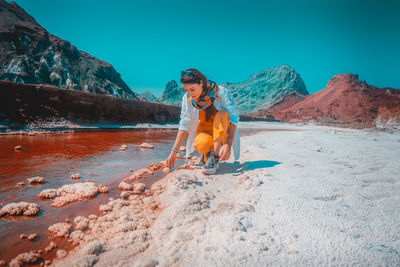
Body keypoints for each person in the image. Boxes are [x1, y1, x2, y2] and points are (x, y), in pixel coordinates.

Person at [165, 68, 240, 175]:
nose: (190, 93)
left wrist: (228, 144)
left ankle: (213, 157)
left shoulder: (220, 92)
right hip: (206, 129)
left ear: (201, 83)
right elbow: (184, 124)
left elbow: (234, 117)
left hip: (222, 129)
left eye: (192, 89)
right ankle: (207, 154)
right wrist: (173, 153)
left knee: (223, 114)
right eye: (186, 90)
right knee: (200, 144)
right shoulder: (187, 99)